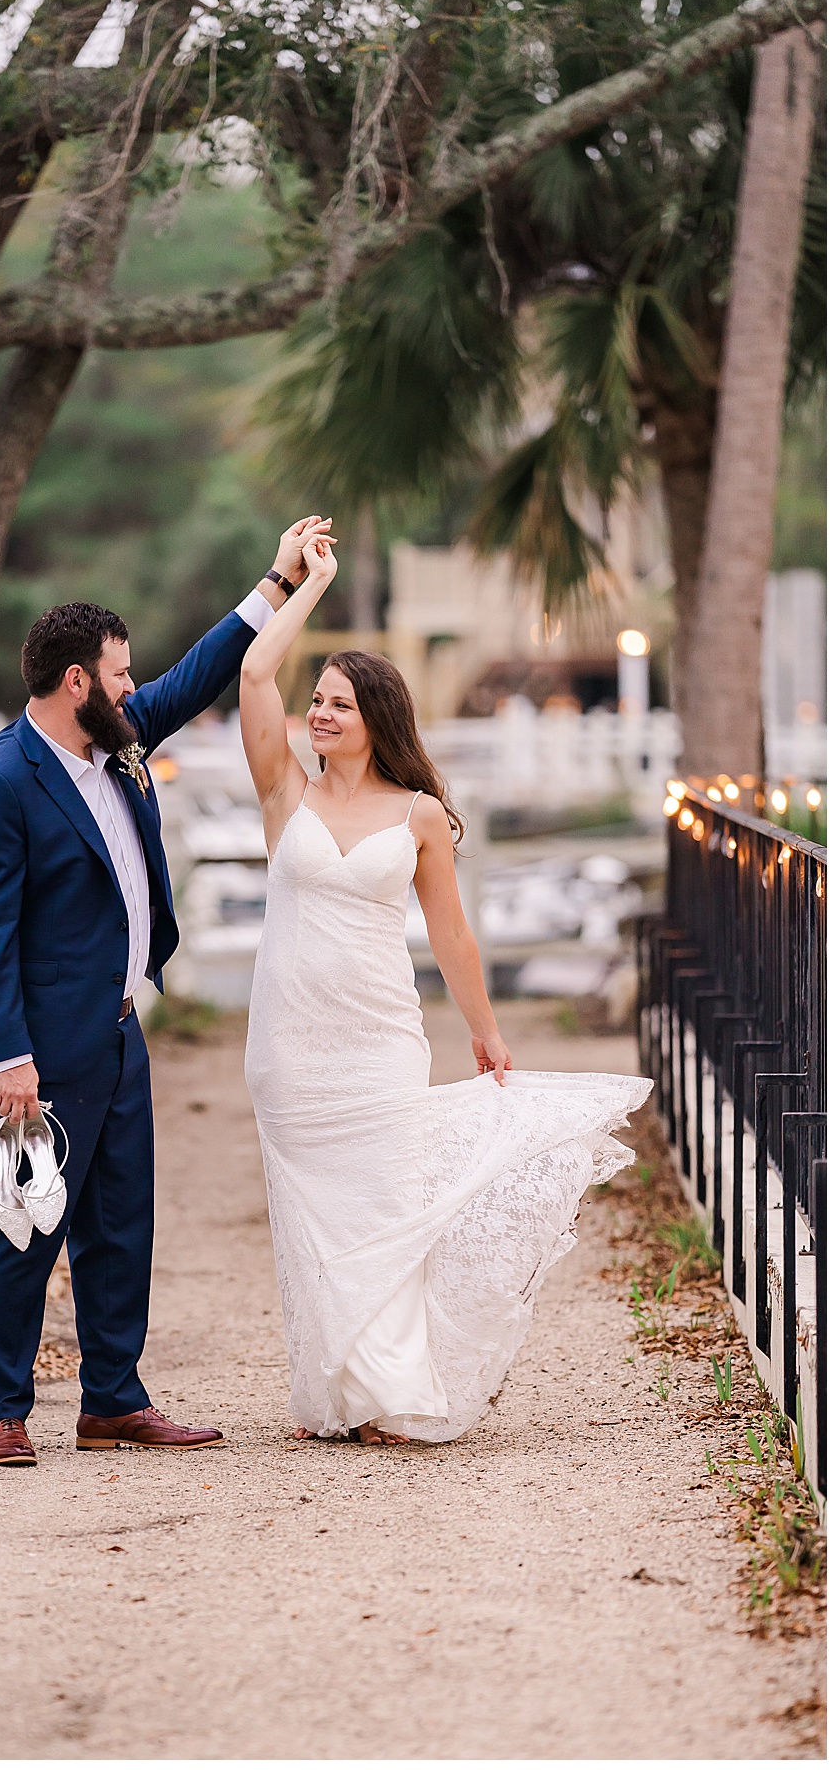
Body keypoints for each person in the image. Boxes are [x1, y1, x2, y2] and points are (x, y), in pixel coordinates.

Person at [239, 523, 651, 1444]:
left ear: (379, 717)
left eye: (341, 703)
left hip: (380, 1037)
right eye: (321, 701)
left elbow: (453, 933)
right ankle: (336, 1391)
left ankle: (391, 1395)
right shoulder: (286, 793)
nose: (322, 715)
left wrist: (486, 1030)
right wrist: (303, 585)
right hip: (290, 1045)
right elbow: (256, 677)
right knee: (313, 1219)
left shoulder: (421, 816)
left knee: (383, 1212)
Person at [0, 517, 332, 1466]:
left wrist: (275, 584)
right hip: (38, 1051)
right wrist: (9, 1057)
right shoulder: (3, 781)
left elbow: (201, 673)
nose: (134, 689)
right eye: (120, 675)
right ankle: (0, 1409)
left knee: (121, 1225)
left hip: (120, 1033)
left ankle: (112, 1400)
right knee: (24, 1227)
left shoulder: (115, 744)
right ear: (75, 681)